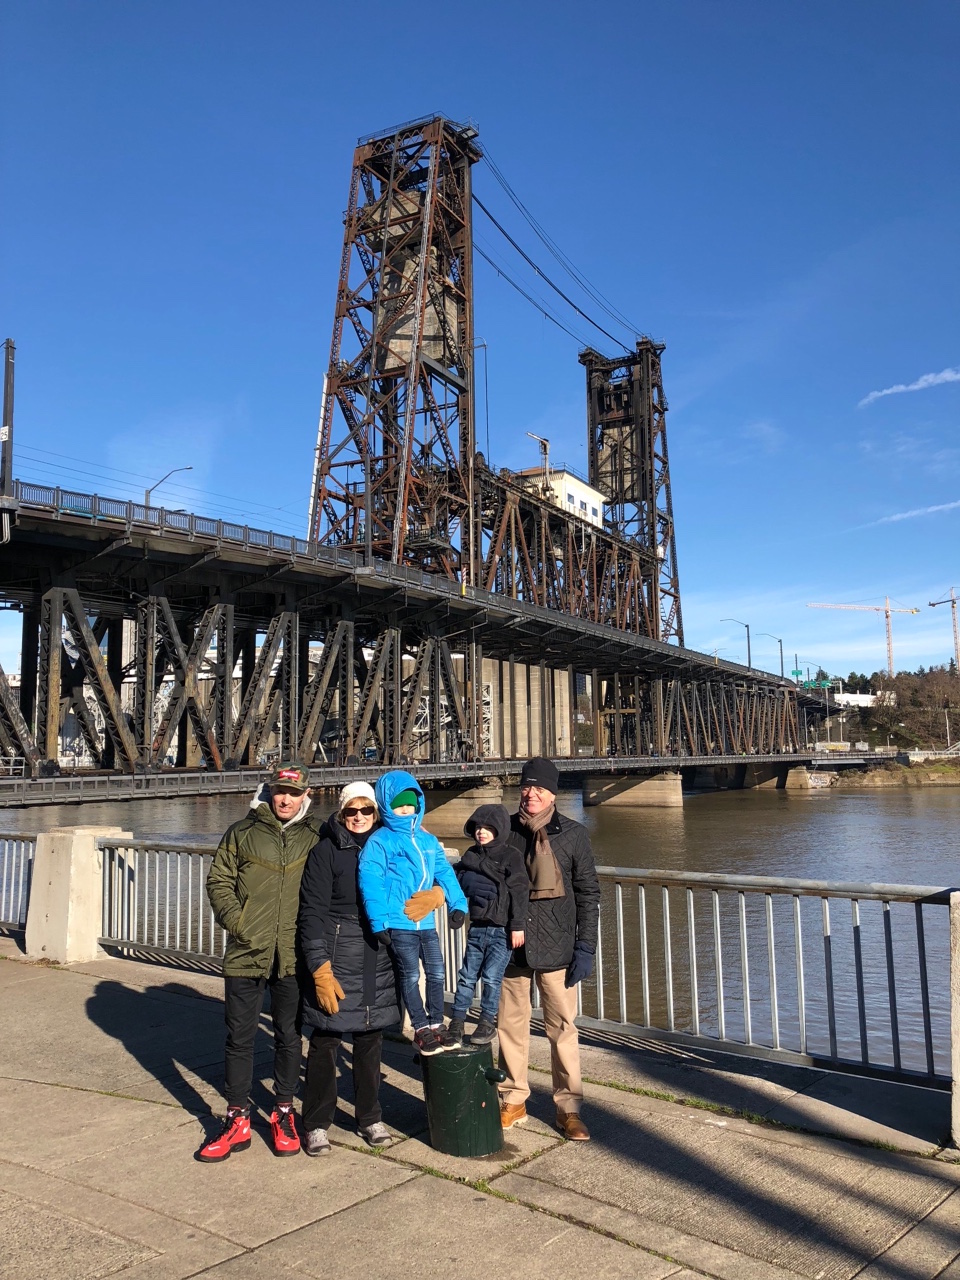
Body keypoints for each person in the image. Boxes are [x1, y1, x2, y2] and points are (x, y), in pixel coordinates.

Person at [199, 762, 321, 1162]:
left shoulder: (317, 837)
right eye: (279, 791)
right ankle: (237, 1117)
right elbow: (219, 881)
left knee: (288, 1035)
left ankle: (283, 1112)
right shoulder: (242, 832)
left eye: (294, 792)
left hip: (292, 954)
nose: (285, 799)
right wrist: (239, 924)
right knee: (240, 1037)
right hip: (246, 951)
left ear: (307, 796)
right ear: (269, 792)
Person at [497, 756, 600, 1141]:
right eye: (526, 786)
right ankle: (513, 1098)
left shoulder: (573, 835)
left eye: (539, 787)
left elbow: (588, 893)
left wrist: (585, 945)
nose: (531, 793)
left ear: (553, 793)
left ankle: (568, 1107)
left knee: (562, 1028)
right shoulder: (503, 829)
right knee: (510, 1025)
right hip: (512, 945)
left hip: (559, 947)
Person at [297, 781, 400, 1156]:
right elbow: (311, 913)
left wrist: (435, 893)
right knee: (326, 1038)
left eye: (366, 810)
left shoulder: (391, 845)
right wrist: (319, 967)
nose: (359, 818)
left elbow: (413, 881)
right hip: (338, 952)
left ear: (376, 813)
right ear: (341, 813)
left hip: (377, 952)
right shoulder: (325, 851)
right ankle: (316, 1124)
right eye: (351, 811)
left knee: (370, 1039)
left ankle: (370, 1117)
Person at [358, 770, 468, 1056]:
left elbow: (444, 872)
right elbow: (371, 880)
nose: (406, 810)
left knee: (436, 972)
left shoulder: (427, 840)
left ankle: (435, 1023)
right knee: (410, 976)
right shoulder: (381, 840)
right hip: (399, 921)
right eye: (399, 804)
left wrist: (458, 903)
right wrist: (378, 920)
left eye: (411, 804)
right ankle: (420, 1028)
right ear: (386, 805)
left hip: (427, 922)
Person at [447, 804, 529, 1047]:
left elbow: (520, 890)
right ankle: (457, 1021)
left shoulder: (511, 855)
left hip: (501, 930)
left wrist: (517, 925)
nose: (481, 832)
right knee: (466, 976)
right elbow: (455, 878)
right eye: (478, 827)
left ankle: (485, 1021)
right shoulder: (471, 854)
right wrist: (463, 884)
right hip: (477, 926)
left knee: (493, 977)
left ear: (500, 830)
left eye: (488, 828)